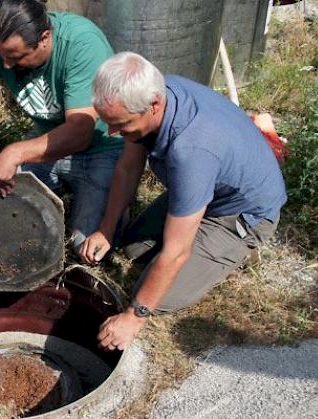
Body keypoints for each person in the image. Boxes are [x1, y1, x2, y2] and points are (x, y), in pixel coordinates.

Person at [81, 52, 287, 351]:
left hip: (242, 213)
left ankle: (239, 249)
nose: (113, 133)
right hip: (205, 186)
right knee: (131, 247)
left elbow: (176, 253)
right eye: (109, 123)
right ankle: (195, 222)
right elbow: (128, 166)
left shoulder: (192, 150)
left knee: (150, 297)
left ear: (154, 105)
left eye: (120, 125)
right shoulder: (158, 91)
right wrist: (106, 228)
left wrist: (134, 318)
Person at [0, 0, 123, 253]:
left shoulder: (82, 44)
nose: (5, 65)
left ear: (45, 38)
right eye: (1, 55)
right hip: (46, 145)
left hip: (100, 149)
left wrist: (13, 153)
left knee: (84, 247)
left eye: (16, 57)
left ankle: (116, 204)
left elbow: (81, 132)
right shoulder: (3, 49)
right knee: (2, 227)